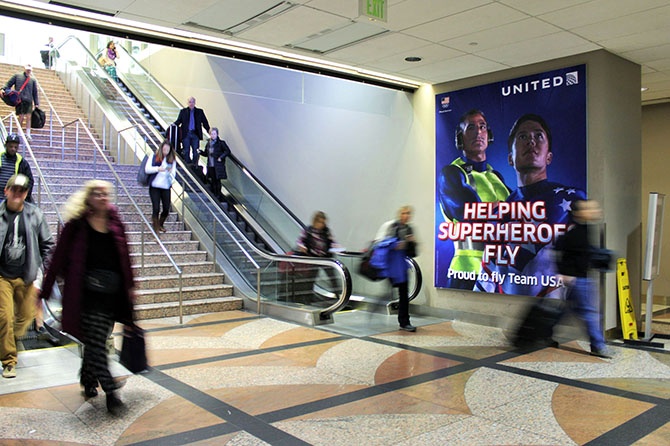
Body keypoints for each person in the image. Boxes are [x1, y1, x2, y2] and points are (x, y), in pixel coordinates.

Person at [39, 180, 136, 413]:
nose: (102, 197)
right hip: (86, 296)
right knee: (96, 343)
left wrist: (130, 286)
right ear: (88, 198)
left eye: (105, 194)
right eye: (97, 194)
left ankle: (87, 376)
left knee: (97, 341)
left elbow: (125, 256)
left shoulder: (115, 223)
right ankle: (111, 392)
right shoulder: (77, 225)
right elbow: (58, 257)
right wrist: (44, 290)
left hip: (111, 295)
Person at [475, 114, 587, 296]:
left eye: (538, 136)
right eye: (523, 137)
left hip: (559, 306)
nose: (531, 142)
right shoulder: (500, 214)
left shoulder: (572, 199)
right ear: (510, 158)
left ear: (549, 157)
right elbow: (487, 276)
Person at [437, 109, 509, 289]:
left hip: (500, 272)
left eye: (482, 127)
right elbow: (470, 214)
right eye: (471, 128)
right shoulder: (451, 173)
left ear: (489, 134)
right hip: (467, 272)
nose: (478, 132)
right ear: (460, 138)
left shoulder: (496, 176)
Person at [0, 174, 54, 379]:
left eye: (21, 190)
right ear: (6, 191)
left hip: (26, 276)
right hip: (2, 276)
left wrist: (49, 268)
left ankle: (9, 340)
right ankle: (9, 360)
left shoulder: (35, 215)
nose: (17, 193)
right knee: (5, 317)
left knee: (23, 319)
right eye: (13, 189)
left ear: (26, 194)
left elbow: (47, 244)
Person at [555, 200, 611, 358]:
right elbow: (561, 251)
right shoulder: (575, 232)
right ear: (579, 213)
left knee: (566, 310)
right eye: (589, 209)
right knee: (590, 313)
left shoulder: (585, 229)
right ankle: (598, 345)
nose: (595, 211)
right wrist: (566, 273)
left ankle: (544, 333)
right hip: (578, 279)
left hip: (580, 278)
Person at [383, 205, 418, 332]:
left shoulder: (409, 229)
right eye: (404, 213)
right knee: (386, 292)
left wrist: (412, 243)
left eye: (408, 213)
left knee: (403, 294)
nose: (406, 215)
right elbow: (386, 243)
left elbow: (413, 253)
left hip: (401, 266)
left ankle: (404, 321)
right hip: (392, 265)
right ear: (400, 214)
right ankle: (373, 311)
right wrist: (397, 244)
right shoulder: (394, 227)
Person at [144, 140, 177, 233]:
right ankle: (155, 229)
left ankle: (160, 224)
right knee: (156, 208)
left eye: (168, 149)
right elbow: (147, 169)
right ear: (161, 149)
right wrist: (158, 169)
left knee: (166, 209)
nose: (165, 151)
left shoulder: (172, 160)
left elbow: (174, 174)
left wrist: (170, 173)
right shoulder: (154, 157)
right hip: (155, 186)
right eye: (164, 149)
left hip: (166, 187)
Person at [1, 65, 39, 141]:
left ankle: (28, 134)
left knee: (28, 117)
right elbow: (9, 83)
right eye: (27, 69)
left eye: (30, 70)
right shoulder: (17, 76)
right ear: (24, 69)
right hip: (19, 100)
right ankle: (19, 133)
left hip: (28, 100)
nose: (28, 71)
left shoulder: (32, 80)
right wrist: (3, 89)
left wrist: (36, 103)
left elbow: (35, 92)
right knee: (21, 116)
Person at [173, 97, 210, 165]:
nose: (191, 103)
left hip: (195, 134)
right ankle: (187, 164)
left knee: (196, 152)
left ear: (195, 103)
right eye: (190, 102)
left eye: (192, 102)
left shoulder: (199, 112)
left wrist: (208, 130)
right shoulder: (183, 111)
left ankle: (194, 165)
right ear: (187, 103)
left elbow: (204, 122)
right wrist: (173, 125)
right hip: (186, 134)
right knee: (186, 151)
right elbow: (179, 121)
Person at [0, 134, 34, 203]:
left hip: (13, 199)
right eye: (11, 146)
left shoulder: (22, 162)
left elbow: (29, 181)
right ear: (6, 145)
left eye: (15, 147)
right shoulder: (0, 158)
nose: (13, 149)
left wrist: (23, 196)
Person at [200, 127, 231, 201]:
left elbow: (227, 151)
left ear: (217, 134)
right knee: (213, 180)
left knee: (217, 180)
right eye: (211, 134)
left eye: (214, 134)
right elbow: (206, 153)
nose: (213, 135)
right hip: (210, 164)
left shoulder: (221, 143)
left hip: (218, 165)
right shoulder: (208, 143)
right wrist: (200, 152)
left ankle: (218, 194)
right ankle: (214, 194)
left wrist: (221, 157)